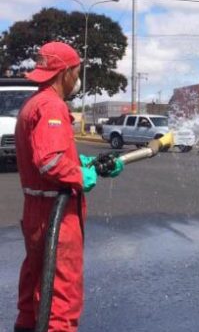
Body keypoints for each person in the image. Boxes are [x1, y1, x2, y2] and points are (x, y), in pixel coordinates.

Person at [14, 41, 122, 332]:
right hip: (56, 216)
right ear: (64, 73)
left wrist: (82, 162)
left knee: (36, 284)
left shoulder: (33, 104)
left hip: (38, 208)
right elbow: (49, 162)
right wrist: (78, 176)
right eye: (77, 71)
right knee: (61, 296)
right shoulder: (52, 106)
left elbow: (52, 155)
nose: (77, 78)